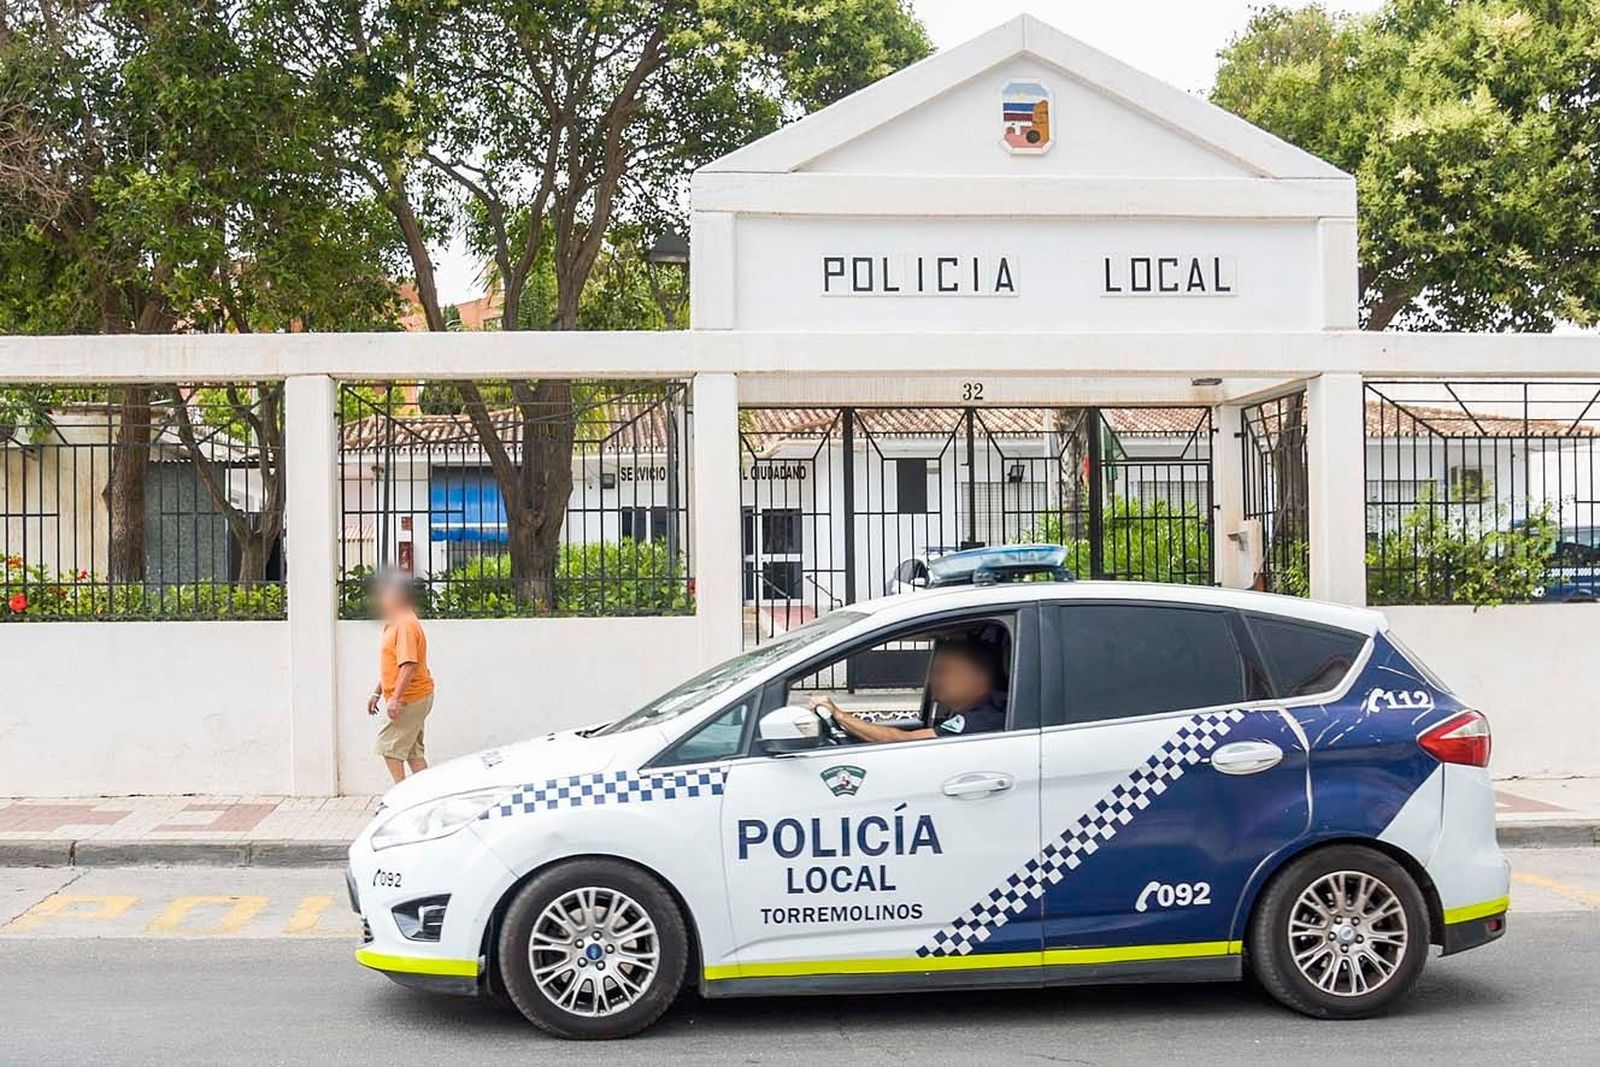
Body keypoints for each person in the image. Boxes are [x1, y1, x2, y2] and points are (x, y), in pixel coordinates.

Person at [810, 638, 1006, 744]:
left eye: (942, 672)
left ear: (976, 677)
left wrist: (840, 715)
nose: (931, 680)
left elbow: (905, 741)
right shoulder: (971, 713)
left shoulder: (984, 720)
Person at [366, 572, 436, 782]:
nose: (381, 600)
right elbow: (394, 666)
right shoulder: (396, 623)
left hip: (410, 698)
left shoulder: (405, 624)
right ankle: (426, 799)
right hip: (414, 696)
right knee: (414, 755)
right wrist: (377, 692)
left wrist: (395, 699)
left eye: (385, 595)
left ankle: (401, 796)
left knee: (388, 747)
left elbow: (408, 665)